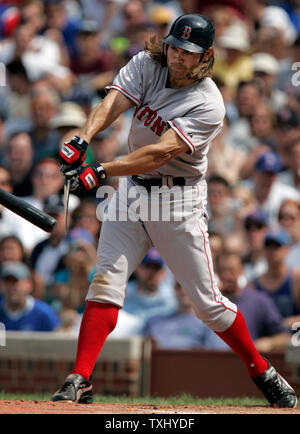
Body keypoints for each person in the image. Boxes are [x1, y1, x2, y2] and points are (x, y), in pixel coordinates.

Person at [52, 13, 296, 408]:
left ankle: (260, 369)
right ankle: (80, 377)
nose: (178, 57)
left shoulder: (209, 102)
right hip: (132, 192)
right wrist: (82, 137)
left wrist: (100, 171)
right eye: (174, 47)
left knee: (209, 306)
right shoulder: (149, 63)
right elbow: (114, 100)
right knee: (106, 282)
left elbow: (159, 153)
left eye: (188, 52)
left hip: (177, 200)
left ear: (206, 56)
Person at [216, 251, 290, 353]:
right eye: (222, 270)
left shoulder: (258, 301)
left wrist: (270, 342)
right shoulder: (210, 302)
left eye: (231, 270)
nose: (226, 276)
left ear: (241, 270)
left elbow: (284, 336)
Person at [143, 280, 228, 350]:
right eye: (179, 286)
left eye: (188, 287)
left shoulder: (210, 324)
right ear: (173, 289)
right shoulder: (154, 321)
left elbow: (216, 357)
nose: (183, 291)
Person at [251, 227, 300, 329]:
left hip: (293, 340)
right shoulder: (254, 284)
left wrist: (282, 324)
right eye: (269, 246)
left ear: (287, 249)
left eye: (277, 246)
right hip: (263, 341)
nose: (272, 251)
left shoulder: (295, 279)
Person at [122, 248, 177, 332]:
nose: (151, 273)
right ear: (137, 268)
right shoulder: (124, 293)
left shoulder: (172, 298)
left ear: (163, 272)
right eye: (147, 267)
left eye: (156, 268)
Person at [0, 261, 60, 331]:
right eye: (7, 282)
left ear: (29, 285)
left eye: (15, 282)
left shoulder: (44, 314)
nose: (11, 287)